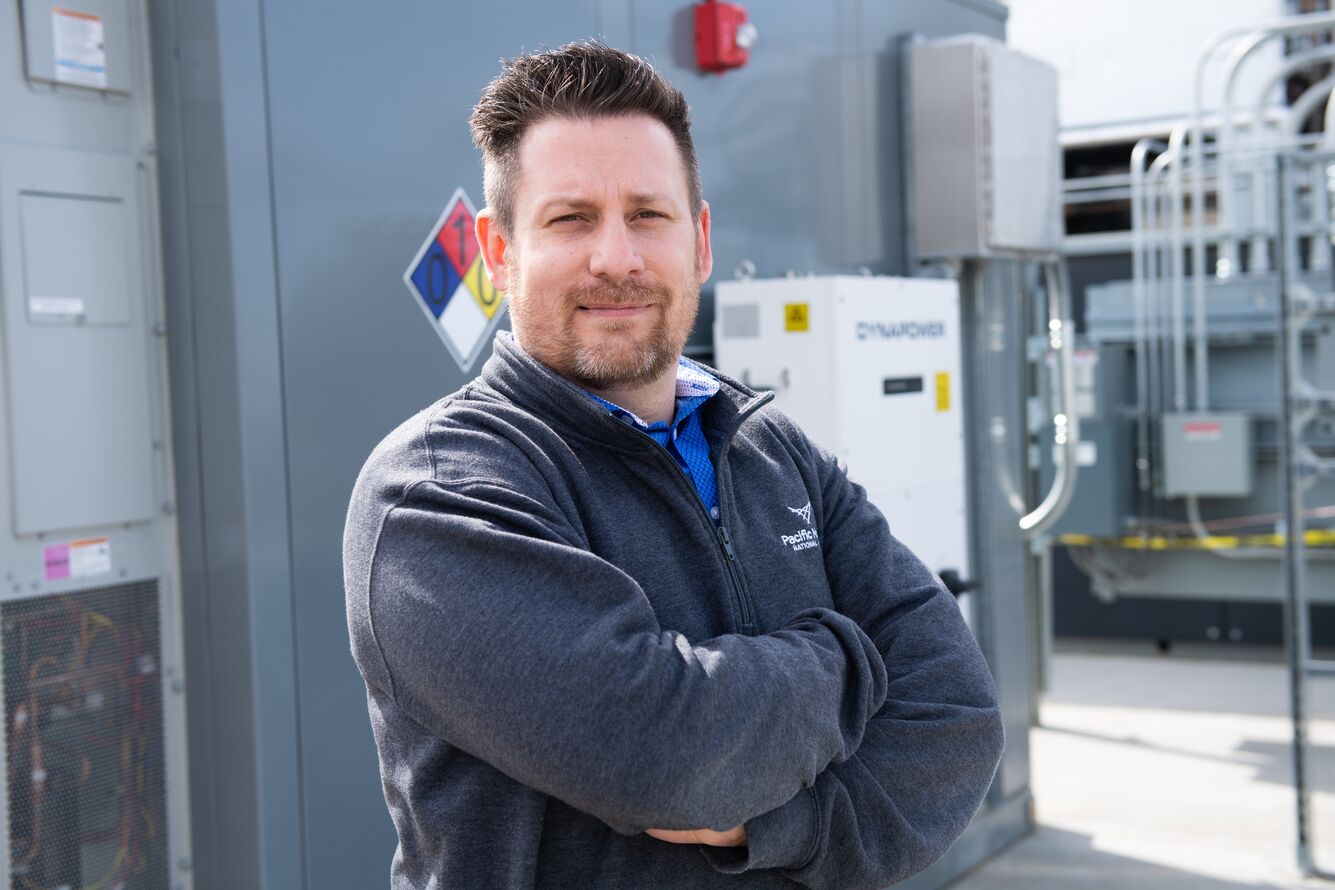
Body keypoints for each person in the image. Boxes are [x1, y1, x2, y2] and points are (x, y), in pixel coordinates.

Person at [344, 40, 1003, 890]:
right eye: (569, 217)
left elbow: (959, 715)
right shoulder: (440, 492)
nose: (615, 258)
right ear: (498, 251)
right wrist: (853, 657)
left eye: (647, 215)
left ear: (698, 241)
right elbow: (667, 758)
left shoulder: (771, 449)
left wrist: (785, 827)